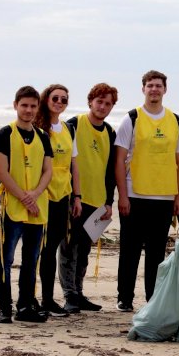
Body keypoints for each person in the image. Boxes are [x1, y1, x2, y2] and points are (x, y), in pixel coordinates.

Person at [115, 70, 179, 311]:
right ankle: (124, 297)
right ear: (143, 88)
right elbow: (119, 159)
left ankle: (153, 298)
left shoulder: (176, 121)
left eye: (158, 86)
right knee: (130, 250)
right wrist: (122, 195)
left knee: (156, 253)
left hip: (164, 196)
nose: (154, 89)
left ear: (165, 90)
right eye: (150, 85)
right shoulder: (131, 118)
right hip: (135, 195)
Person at [0, 86, 53, 323]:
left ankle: (25, 305)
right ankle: (4, 307)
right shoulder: (4, 134)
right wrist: (24, 197)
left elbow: (48, 171)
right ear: (15, 105)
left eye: (33, 106)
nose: (28, 110)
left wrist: (35, 194)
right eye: (24, 105)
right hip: (13, 206)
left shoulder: (42, 137)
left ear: (38, 108)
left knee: (31, 259)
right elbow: (1, 172)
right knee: (6, 258)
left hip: (38, 208)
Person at [59, 83, 117, 313]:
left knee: (84, 249)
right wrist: (74, 195)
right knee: (68, 246)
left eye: (108, 103)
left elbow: (111, 171)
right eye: (99, 101)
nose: (102, 107)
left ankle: (79, 292)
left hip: (98, 200)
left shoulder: (110, 132)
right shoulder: (73, 125)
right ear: (90, 101)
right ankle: (69, 294)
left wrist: (109, 202)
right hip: (75, 199)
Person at [33, 84, 81, 317]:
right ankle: (32, 299)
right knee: (38, 249)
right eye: (55, 98)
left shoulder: (68, 128)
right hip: (41, 194)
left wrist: (77, 196)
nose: (59, 102)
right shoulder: (37, 126)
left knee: (52, 246)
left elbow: (74, 165)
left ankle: (48, 300)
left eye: (64, 99)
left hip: (62, 194)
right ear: (46, 99)